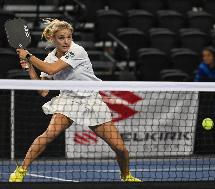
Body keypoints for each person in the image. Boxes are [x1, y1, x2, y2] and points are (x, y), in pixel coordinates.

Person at [9, 19, 141, 182]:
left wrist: (28, 55)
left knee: (120, 149)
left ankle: (126, 176)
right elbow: (43, 91)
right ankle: (21, 171)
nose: (66, 41)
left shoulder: (77, 51)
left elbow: (51, 69)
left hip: (91, 101)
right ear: (52, 39)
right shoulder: (49, 58)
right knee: (49, 134)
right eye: (61, 38)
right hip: (68, 100)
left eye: (69, 37)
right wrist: (30, 69)